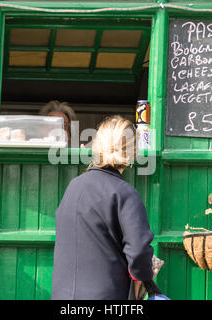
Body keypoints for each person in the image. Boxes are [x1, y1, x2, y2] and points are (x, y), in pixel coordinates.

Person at [51, 115, 161, 300]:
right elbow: (139, 252)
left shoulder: (73, 187)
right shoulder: (126, 194)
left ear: (97, 146)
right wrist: (146, 278)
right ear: (133, 151)